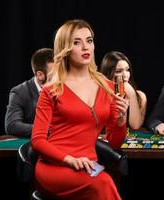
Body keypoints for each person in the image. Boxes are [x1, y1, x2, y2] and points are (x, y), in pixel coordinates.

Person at [31, 19, 128, 200]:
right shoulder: (51, 89)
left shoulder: (108, 87)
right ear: (65, 48)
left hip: (88, 166)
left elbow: (114, 143)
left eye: (89, 41)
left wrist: (122, 121)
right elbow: (37, 141)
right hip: (55, 167)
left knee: (103, 183)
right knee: (104, 183)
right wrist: (69, 159)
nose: (85, 47)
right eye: (77, 42)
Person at [5, 48, 54, 137]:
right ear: (40, 75)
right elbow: (12, 126)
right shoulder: (20, 92)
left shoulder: (65, 87)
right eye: (54, 75)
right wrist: (46, 130)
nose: (59, 78)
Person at [100, 51, 147, 129]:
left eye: (127, 70)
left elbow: (135, 126)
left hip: (129, 140)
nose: (125, 75)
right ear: (108, 73)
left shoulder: (140, 96)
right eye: (119, 71)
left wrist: (132, 95)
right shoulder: (98, 94)